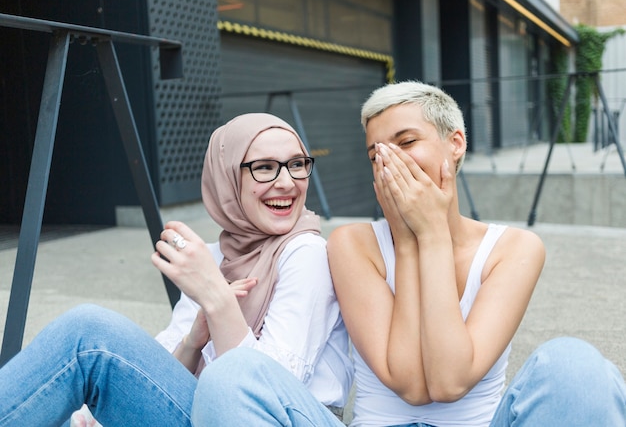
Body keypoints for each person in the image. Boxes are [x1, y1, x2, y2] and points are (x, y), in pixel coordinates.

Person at [191, 81, 626, 427]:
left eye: (406, 141)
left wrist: (433, 235)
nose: (389, 161)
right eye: (376, 152)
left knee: (578, 365)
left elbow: (449, 379)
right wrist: (407, 241)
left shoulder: (514, 248)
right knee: (232, 377)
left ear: (455, 144)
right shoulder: (352, 243)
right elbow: (410, 385)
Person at [0, 113, 353, 426]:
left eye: (297, 164)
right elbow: (157, 368)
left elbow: (266, 386)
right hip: (204, 412)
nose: (288, 182)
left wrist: (217, 301)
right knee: (81, 359)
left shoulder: (306, 252)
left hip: (286, 417)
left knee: (89, 343)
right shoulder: (216, 256)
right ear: (227, 179)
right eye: (264, 167)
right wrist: (193, 342)